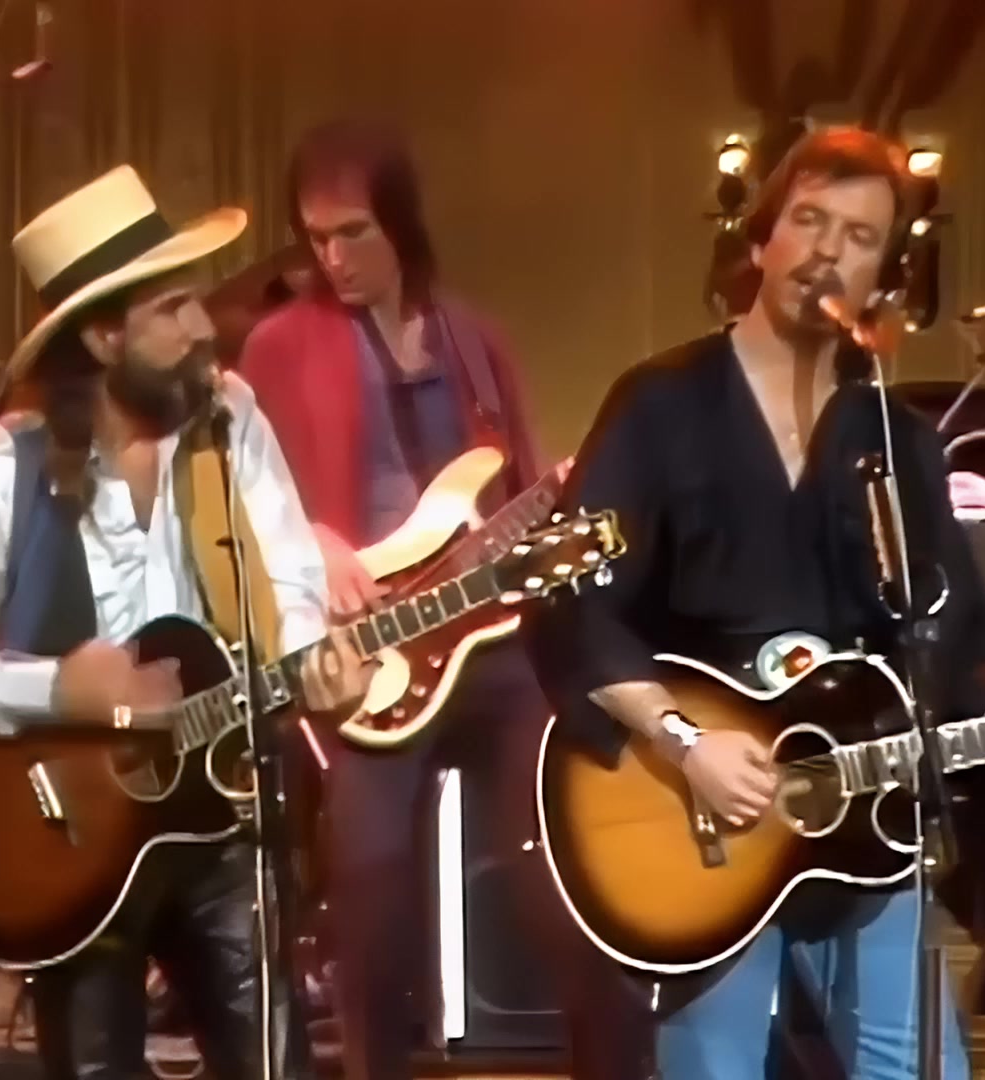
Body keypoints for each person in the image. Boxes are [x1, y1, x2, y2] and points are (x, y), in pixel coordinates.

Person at [523, 126, 985, 1080]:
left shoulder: (896, 439)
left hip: (863, 808)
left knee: (917, 1066)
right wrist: (685, 741)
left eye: (860, 237)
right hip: (696, 806)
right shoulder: (660, 403)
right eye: (809, 221)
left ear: (885, 278)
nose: (829, 251)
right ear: (760, 239)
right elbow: (572, 607)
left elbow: (950, 636)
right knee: (717, 1065)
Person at [0, 165, 371, 1080]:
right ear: (104, 338)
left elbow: (292, 583)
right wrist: (56, 690)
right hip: (76, 840)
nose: (203, 327)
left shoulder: (229, 420)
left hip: (222, 818)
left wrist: (318, 668)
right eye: (172, 309)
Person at [237, 119, 651, 1080]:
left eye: (354, 232)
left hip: (495, 637)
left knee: (572, 866)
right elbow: (241, 494)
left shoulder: (475, 338)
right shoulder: (277, 346)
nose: (332, 257)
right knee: (371, 891)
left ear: (402, 223)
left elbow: (519, 488)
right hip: (372, 645)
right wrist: (312, 542)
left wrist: (564, 502)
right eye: (316, 237)